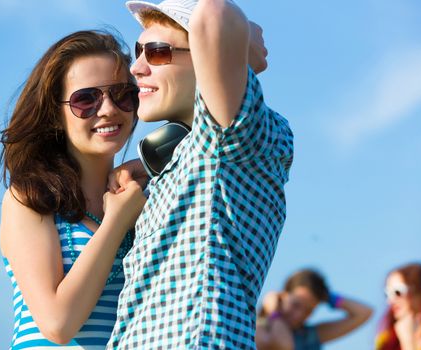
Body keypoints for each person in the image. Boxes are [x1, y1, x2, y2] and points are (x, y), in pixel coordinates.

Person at [107, 0, 294, 348]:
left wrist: (243, 46)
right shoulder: (191, 157)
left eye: (157, 52)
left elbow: (215, 13)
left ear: (208, 56)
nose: (136, 67)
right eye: (138, 51)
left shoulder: (234, 136)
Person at [0, 30, 146, 349]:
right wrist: (116, 222)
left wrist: (153, 161)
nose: (107, 109)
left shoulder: (145, 198)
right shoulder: (29, 199)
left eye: (122, 94)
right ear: (55, 113)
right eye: (86, 99)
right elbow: (57, 324)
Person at [256, 269, 373, 350]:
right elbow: (283, 346)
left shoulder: (309, 336)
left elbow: (364, 313)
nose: (299, 315)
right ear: (282, 296)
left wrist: (327, 297)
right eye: (296, 305)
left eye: (308, 310)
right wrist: (274, 313)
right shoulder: (259, 325)